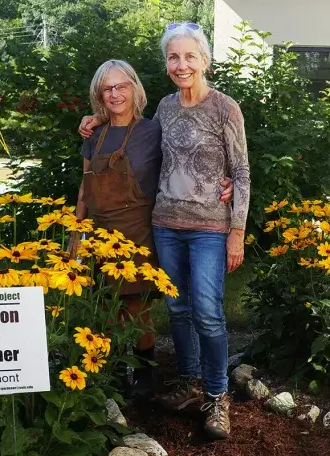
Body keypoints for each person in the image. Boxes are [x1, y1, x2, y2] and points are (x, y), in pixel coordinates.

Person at [78, 24, 250, 440]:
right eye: (174, 57)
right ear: (166, 64)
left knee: (208, 312)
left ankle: (216, 395)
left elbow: (241, 171)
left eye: (190, 56)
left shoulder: (225, 108)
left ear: (205, 60)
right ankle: (188, 382)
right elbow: (131, 134)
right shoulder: (166, 109)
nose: (182, 64)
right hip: (165, 225)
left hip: (210, 225)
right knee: (176, 309)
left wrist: (237, 230)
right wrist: (94, 118)